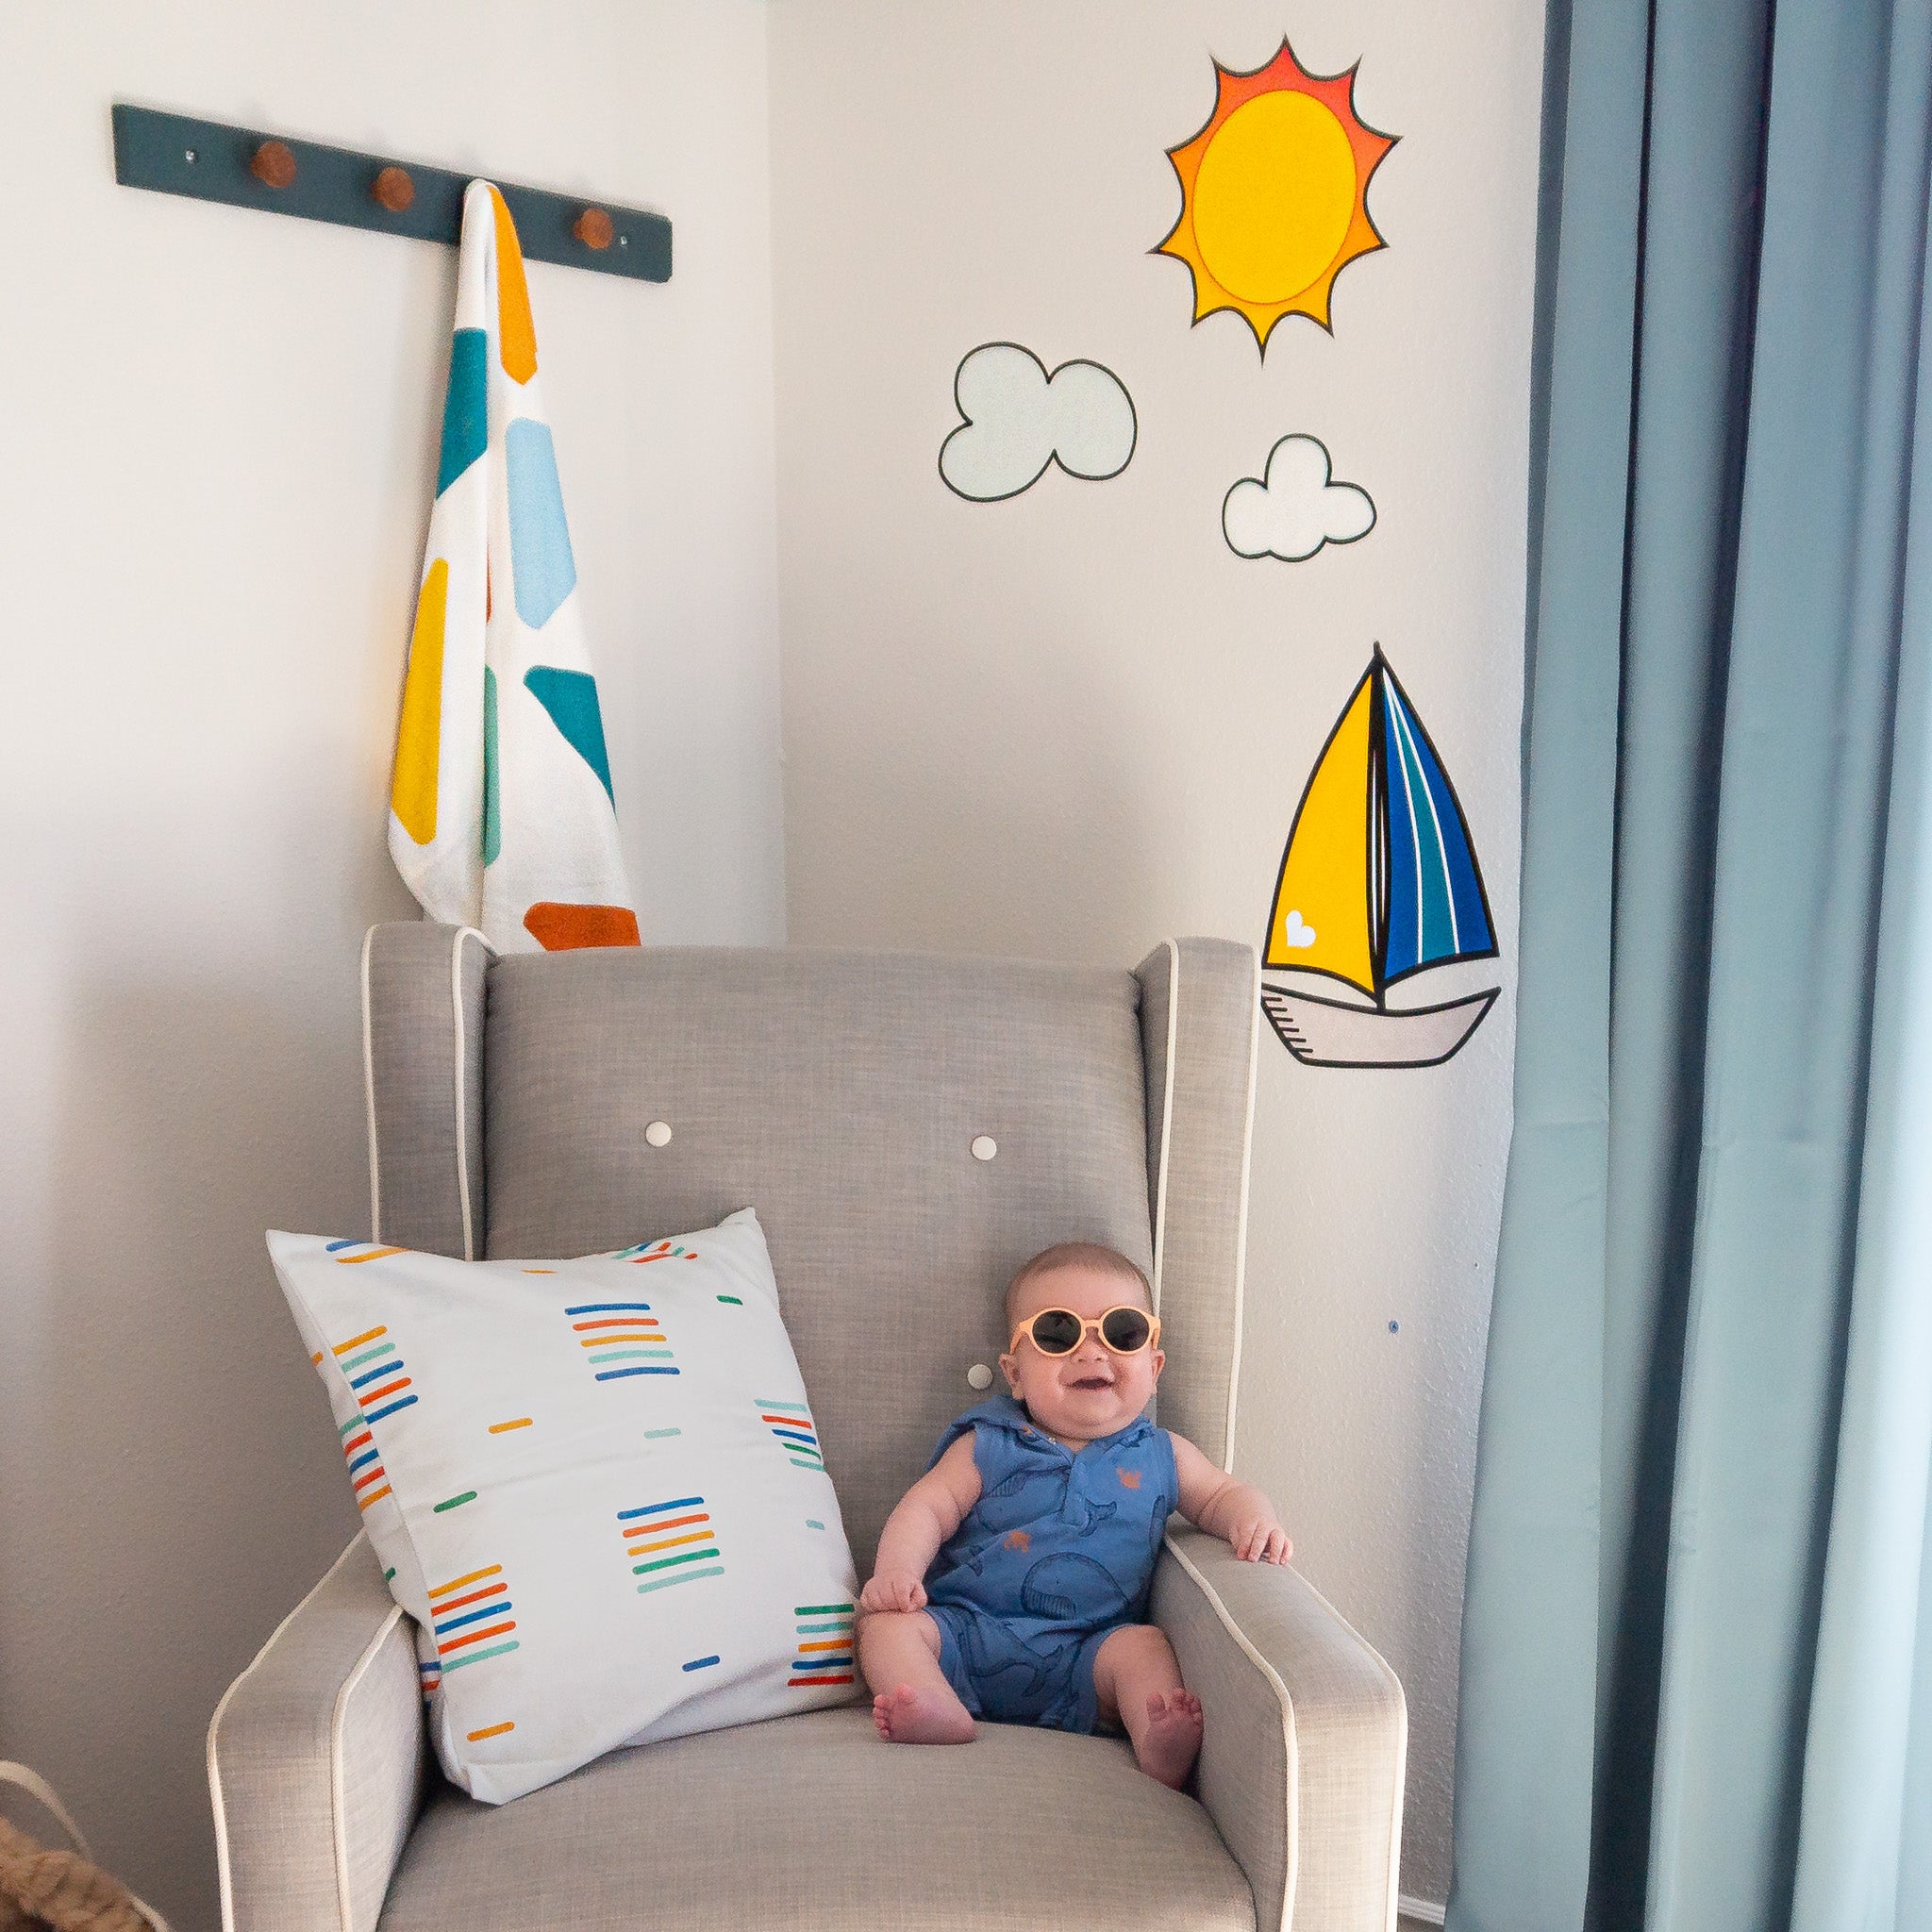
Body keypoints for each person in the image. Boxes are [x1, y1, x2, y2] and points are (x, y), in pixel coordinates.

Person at [856, 1240, 1293, 1788]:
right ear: (1015, 1374)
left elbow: (1223, 1495)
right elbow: (927, 1507)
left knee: (1144, 1647)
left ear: (1153, 1366)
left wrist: (1255, 1520)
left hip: (1087, 1654)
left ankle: (1156, 1737)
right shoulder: (987, 1444)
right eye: (1057, 1334)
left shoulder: (1164, 1454)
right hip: (966, 1633)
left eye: (1122, 1332)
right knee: (886, 1628)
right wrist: (896, 1574)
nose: (1092, 1351)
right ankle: (932, 1704)